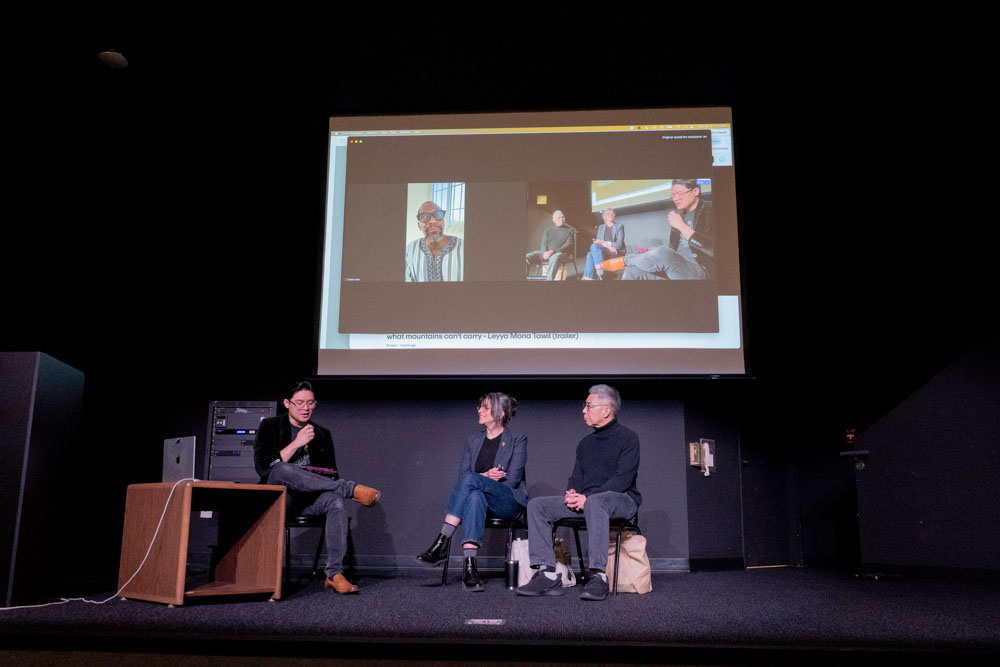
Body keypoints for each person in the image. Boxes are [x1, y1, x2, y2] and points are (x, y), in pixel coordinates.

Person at [253, 381, 381, 594]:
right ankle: (350, 489)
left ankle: (334, 574)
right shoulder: (270, 426)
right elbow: (264, 469)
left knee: (336, 500)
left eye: (310, 403)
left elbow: (331, 474)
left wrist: (319, 477)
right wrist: (297, 443)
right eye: (300, 403)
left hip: (309, 498)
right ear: (287, 403)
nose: (306, 408)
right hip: (281, 499)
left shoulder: (322, 433)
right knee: (282, 469)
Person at [516, 384, 640, 602]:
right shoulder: (585, 444)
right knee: (537, 505)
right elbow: (576, 477)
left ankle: (599, 577)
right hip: (589, 502)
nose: (584, 410)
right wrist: (571, 493)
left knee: (596, 502)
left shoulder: (629, 438)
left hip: (621, 499)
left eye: (589, 406)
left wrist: (588, 499)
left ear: (606, 409)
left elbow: (623, 479)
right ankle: (547, 574)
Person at [416, 392, 528, 592]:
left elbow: (512, 480)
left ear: (500, 413)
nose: (479, 411)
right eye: (480, 407)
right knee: (474, 495)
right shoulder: (473, 440)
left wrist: (478, 478)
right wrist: (484, 476)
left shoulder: (517, 439)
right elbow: (463, 477)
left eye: (485, 407)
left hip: (507, 501)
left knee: (471, 481)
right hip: (480, 502)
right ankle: (470, 569)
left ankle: (442, 541)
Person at [615, 179, 715, 280]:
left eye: (679, 194)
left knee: (662, 252)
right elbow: (672, 250)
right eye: (673, 195)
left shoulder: (710, 209)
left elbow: (712, 249)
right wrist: (653, 253)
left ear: (695, 191)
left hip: (700, 269)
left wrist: (681, 226)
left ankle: (625, 260)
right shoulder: (679, 217)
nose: (675, 198)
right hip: (676, 266)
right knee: (632, 270)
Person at [405, 201, 464, 282]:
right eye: (424, 217)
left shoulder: (464, 248)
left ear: (443, 221)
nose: (432, 221)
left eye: (438, 214)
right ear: (419, 226)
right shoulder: (410, 249)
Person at [525, 210, 574, 280]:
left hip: (561, 254)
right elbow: (543, 243)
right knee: (527, 256)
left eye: (562, 217)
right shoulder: (548, 230)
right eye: (558, 218)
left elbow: (568, 245)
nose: (561, 219)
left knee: (554, 258)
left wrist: (553, 251)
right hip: (547, 253)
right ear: (553, 220)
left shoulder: (569, 230)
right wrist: (544, 253)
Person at [582, 208, 625, 280]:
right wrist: (608, 246)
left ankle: (590, 277)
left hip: (614, 250)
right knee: (593, 246)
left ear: (614, 215)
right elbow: (599, 242)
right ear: (604, 216)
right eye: (608, 214)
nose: (610, 215)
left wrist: (605, 243)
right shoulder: (601, 227)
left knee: (590, 254)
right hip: (604, 249)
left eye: (612, 213)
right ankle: (598, 271)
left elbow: (619, 245)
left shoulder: (619, 226)